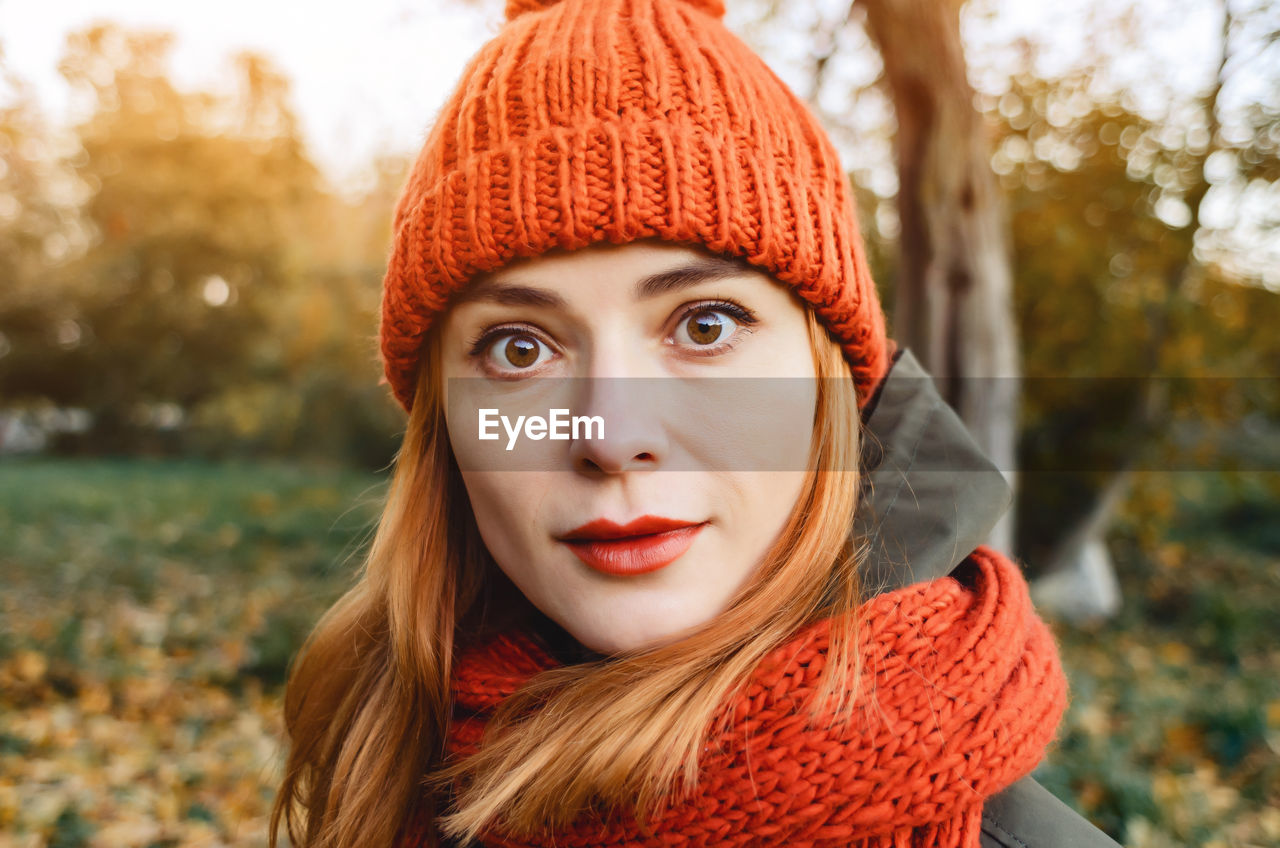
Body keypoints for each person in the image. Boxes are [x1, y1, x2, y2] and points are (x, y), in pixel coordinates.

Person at [271, 1, 1123, 846]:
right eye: (519, 348)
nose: (611, 436)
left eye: (704, 326)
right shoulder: (381, 778)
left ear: (828, 382)